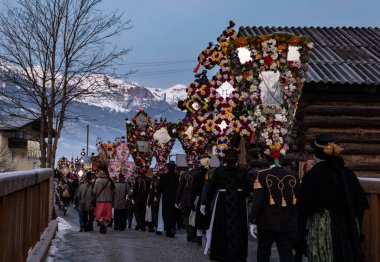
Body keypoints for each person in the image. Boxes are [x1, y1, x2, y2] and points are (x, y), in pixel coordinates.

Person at [295, 134, 369, 262]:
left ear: (316, 154)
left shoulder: (312, 176)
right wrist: (356, 232)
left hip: (323, 231)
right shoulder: (348, 174)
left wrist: (299, 239)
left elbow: (302, 210)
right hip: (348, 231)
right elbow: (360, 205)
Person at [249, 155, 300, 262]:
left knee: (263, 252)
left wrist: (252, 220)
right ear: (282, 160)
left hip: (266, 222)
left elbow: (257, 201)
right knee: (286, 253)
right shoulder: (293, 175)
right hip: (288, 221)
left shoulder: (261, 175)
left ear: (267, 160)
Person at [204, 148, 251, 261]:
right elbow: (249, 187)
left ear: (225, 158)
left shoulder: (219, 171)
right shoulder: (243, 170)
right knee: (239, 225)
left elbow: (211, 188)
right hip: (238, 201)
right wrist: (241, 194)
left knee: (221, 224)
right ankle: (238, 254)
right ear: (236, 159)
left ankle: (221, 253)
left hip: (222, 201)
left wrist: (206, 203)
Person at [192, 153, 211, 246]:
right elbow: (194, 188)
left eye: (207, 158)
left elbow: (194, 188)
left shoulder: (212, 171)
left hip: (206, 198)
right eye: (204, 158)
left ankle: (203, 238)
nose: (206, 160)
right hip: (203, 197)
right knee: (202, 218)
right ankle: (201, 238)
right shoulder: (199, 173)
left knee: (204, 218)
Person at [175, 164, 197, 241]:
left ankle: (189, 232)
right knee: (194, 217)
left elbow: (180, 188)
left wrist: (177, 201)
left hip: (184, 199)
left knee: (185, 216)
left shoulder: (184, 175)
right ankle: (193, 233)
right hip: (194, 199)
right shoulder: (198, 173)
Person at [158, 161, 179, 238]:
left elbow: (159, 187)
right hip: (174, 197)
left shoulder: (163, 176)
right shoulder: (177, 176)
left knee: (166, 213)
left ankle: (168, 229)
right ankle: (172, 228)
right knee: (173, 213)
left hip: (166, 197)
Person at [93, 163, 115, 234]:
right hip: (108, 202)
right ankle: (104, 223)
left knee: (99, 215)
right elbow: (113, 191)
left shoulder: (97, 181)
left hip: (100, 201)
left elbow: (94, 192)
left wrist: (95, 197)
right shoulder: (110, 182)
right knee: (106, 216)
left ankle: (102, 222)